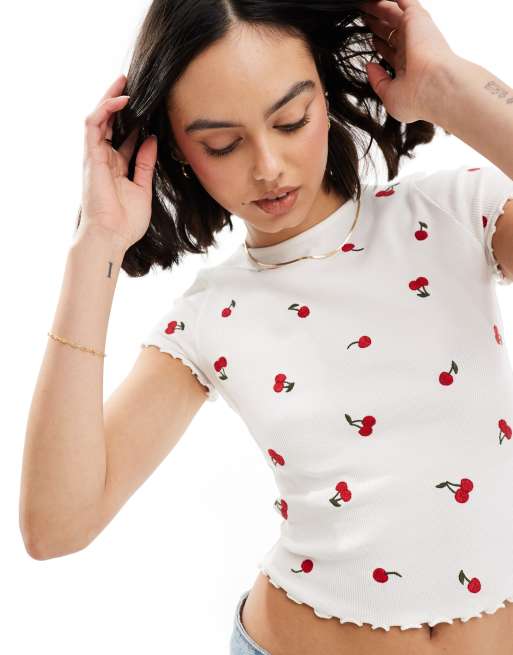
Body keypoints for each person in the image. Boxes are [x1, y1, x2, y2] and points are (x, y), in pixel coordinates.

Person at [19, 0, 513, 653]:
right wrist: (97, 245)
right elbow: (57, 526)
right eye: (222, 143)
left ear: (325, 93)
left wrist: (448, 86)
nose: (268, 166)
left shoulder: (458, 212)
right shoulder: (209, 317)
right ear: (178, 150)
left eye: (290, 120)